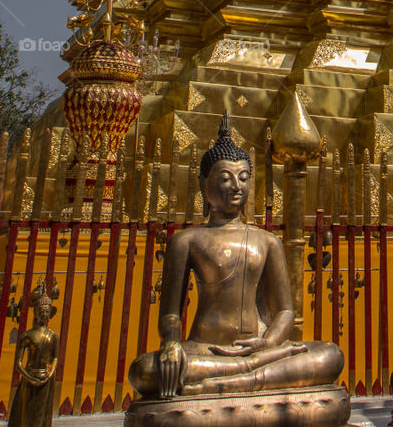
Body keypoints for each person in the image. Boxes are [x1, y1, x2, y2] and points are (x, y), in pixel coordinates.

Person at [129, 119, 343, 399]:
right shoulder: (186, 241)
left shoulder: (266, 241)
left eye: (243, 178)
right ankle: (246, 376)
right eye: (225, 178)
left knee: (329, 355)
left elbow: (285, 312)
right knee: (144, 371)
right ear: (203, 184)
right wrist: (170, 342)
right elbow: (170, 312)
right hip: (206, 350)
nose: (236, 186)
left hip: (260, 350)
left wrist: (267, 343)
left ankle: (232, 382)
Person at [7, 290, 58, 427]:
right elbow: (18, 363)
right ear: (35, 312)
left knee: (41, 414)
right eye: (41, 310)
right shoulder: (27, 335)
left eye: (47, 311)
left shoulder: (52, 336)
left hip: (45, 378)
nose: (44, 314)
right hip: (30, 376)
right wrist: (29, 377)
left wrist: (49, 375)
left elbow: (55, 358)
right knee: (26, 412)